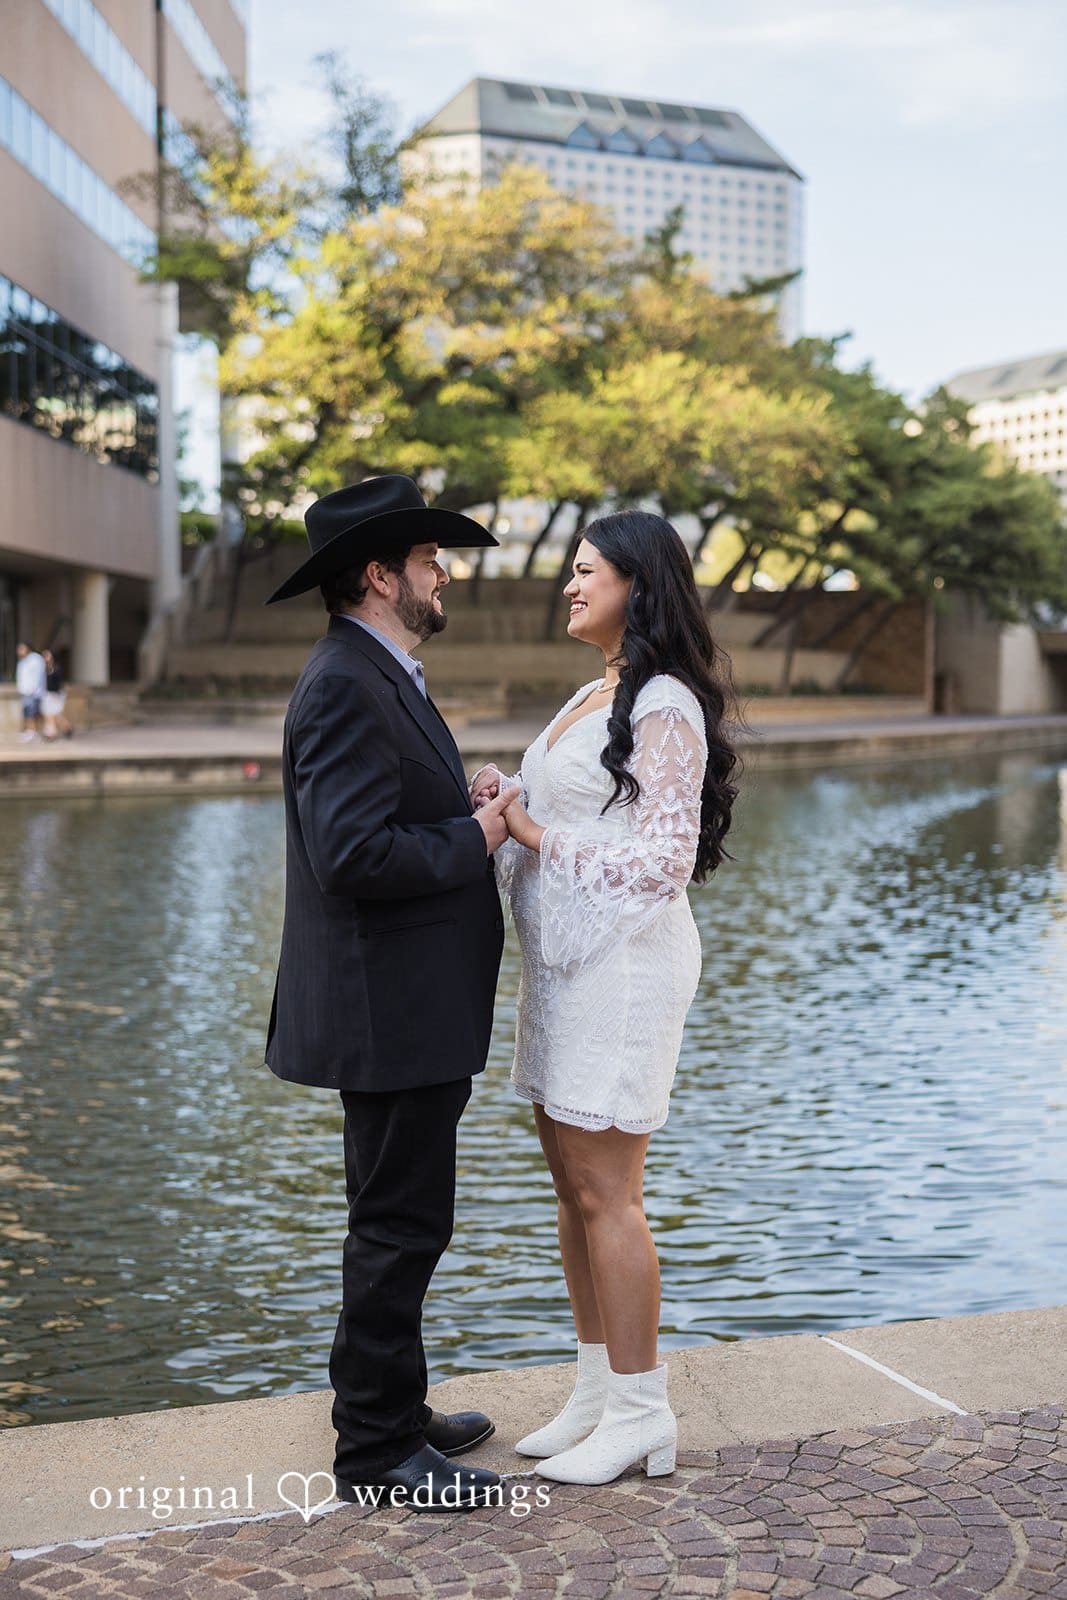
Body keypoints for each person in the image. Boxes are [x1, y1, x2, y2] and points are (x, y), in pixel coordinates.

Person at [264, 474, 519, 1513]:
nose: (440, 572)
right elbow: (351, 854)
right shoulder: (343, 681)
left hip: (408, 1006)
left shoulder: (380, 671)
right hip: (388, 1012)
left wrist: (459, 803)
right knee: (396, 1226)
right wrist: (478, 836)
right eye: (426, 558)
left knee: (405, 1220)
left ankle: (395, 1408)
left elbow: (387, 812)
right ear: (379, 576)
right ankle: (374, 1450)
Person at [471, 509, 739, 1487]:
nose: (570, 585)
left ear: (636, 583)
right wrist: (506, 794)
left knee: (609, 1193)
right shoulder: (598, 689)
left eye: (587, 571)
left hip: (623, 969)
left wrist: (534, 834)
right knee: (571, 1187)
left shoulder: (664, 700)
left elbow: (661, 859)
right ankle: (595, 1390)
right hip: (567, 966)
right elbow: (573, 803)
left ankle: (640, 1411)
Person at [15, 642, 46, 742]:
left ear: (28, 648)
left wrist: (32, 689)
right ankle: (31, 731)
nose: (19, 651)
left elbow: (38, 675)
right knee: (28, 712)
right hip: (25, 691)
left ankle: (33, 732)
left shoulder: (36, 659)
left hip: (33, 692)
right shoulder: (23, 660)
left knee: (31, 713)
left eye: (22, 649)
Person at [41, 650, 72, 740]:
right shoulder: (44, 669)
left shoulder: (56, 669)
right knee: (50, 715)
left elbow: (58, 683)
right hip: (46, 694)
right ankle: (56, 731)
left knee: (53, 715)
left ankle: (56, 731)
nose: (45, 658)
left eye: (47, 656)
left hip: (55, 695)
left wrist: (56, 693)